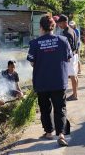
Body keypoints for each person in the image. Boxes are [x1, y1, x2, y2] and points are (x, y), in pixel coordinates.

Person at [27, 15, 71, 146]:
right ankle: (61, 134)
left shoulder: (34, 43)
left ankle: (48, 132)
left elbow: (32, 63)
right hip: (58, 81)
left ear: (41, 27)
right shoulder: (63, 40)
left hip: (42, 82)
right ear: (54, 26)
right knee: (60, 108)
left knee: (45, 109)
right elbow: (68, 58)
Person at [57, 15, 78, 101]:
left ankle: (74, 95)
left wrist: (65, 57)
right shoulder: (71, 30)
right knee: (75, 75)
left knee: (72, 76)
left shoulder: (67, 33)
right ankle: (75, 93)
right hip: (75, 55)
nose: (59, 25)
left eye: (60, 23)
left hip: (71, 56)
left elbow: (68, 48)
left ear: (65, 22)